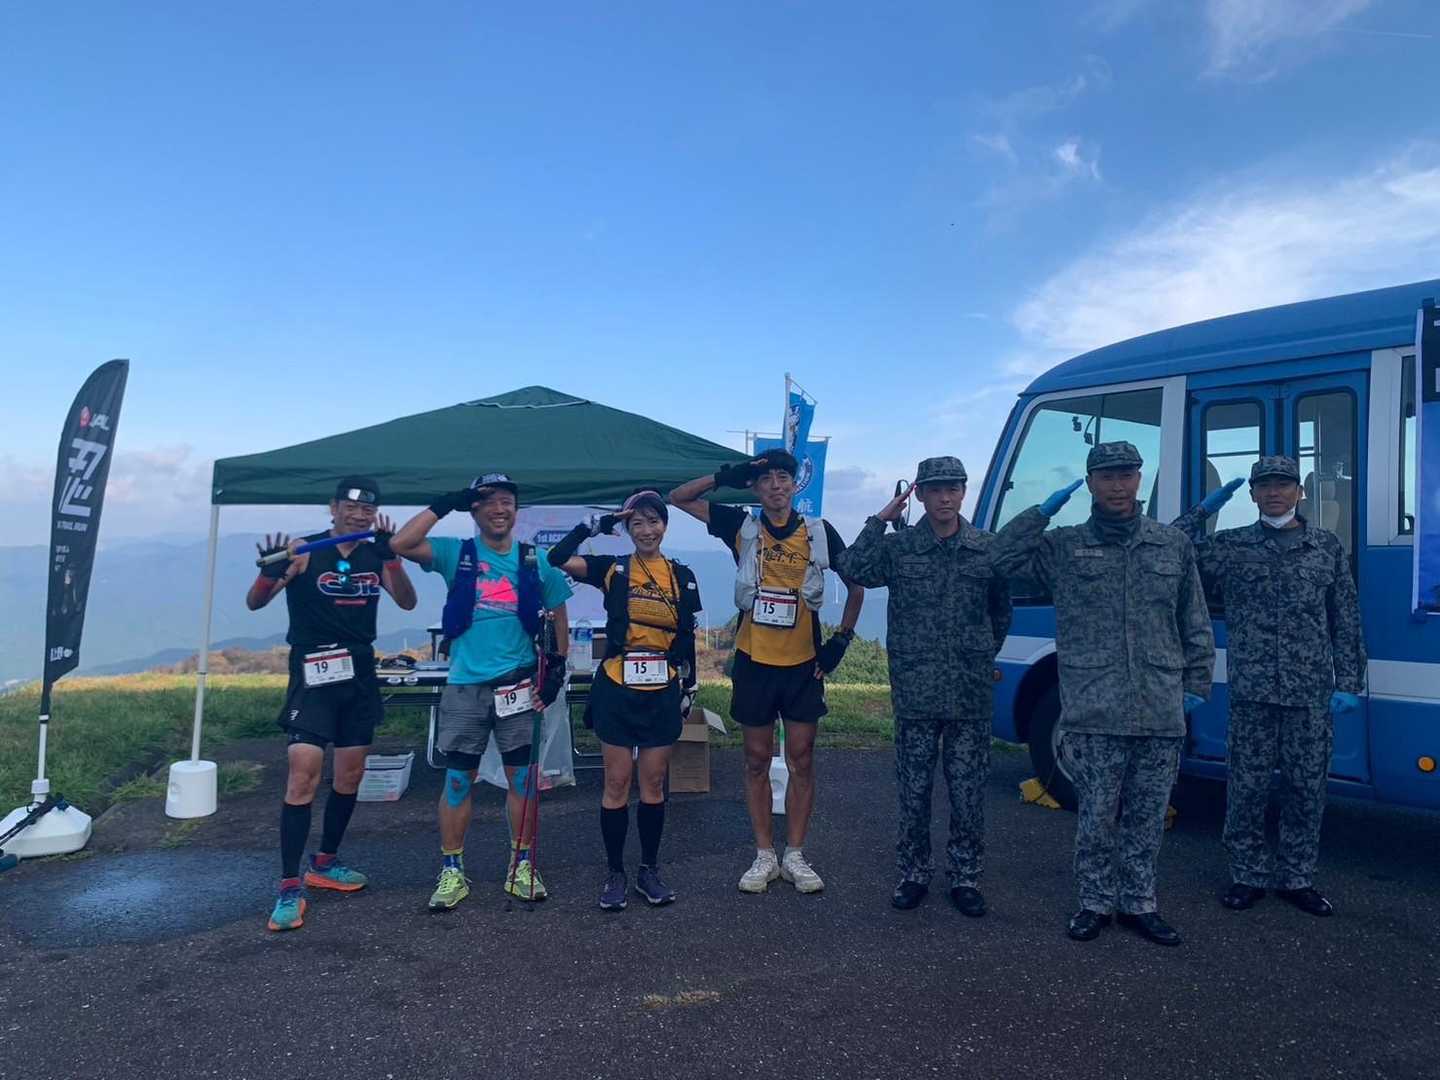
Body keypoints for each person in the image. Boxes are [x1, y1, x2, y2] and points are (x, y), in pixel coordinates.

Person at [992, 442, 1214, 946]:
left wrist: (1197, 684)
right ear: (1091, 483)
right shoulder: (1064, 546)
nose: (1118, 485)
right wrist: (1040, 514)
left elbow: (1194, 620)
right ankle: (1094, 902)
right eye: (1107, 476)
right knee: (1095, 815)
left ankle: (1139, 903)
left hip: (1159, 705)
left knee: (1148, 815)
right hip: (1093, 707)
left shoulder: (1171, 544)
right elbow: (999, 559)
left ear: (1139, 479)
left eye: (1126, 475)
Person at [1172, 455, 1366, 917]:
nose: (1274, 493)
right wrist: (1203, 510)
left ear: (1299, 492)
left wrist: (1349, 682)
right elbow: (1169, 547)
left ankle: (1298, 877)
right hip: (1253, 694)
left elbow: (1346, 618)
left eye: (1283, 485)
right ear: (1253, 494)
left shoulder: (1326, 547)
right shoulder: (1231, 545)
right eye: (1265, 486)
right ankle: (1248, 875)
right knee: (1247, 788)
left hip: (1309, 696)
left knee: (1306, 789)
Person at [669, 448, 864, 894]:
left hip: (804, 666)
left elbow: (857, 586)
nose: (776, 485)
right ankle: (763, 855)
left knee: (802, 760)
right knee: (756, 760)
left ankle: (795, 854)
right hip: (754, 662)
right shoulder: (741, 527)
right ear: (756, 488)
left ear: (795, 485)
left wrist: (841, 641)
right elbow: (678, 498)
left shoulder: (819, 532)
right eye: (766, 479)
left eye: (783, 478)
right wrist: (726, 476)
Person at [835, 456, 1012, 916]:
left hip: (969, 694)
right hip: (916, 692)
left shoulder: (986, 548)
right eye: (935, 490)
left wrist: (979, 656)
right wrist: (881, 519)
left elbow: (1001, 612)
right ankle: (913, 873)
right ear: (921, 495)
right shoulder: (900, 548)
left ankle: (965, 876)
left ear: (964, 492)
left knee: (968, 793)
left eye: (953, 488)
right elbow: (852, 565)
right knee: (914, 792)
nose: (945, 498)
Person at [391, 474, 571, 911]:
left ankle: (522, 864)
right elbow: (401, 544)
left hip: (518, 685)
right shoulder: (458, 553)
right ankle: (452, 869)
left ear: (516, 509)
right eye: (488, 502)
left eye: (507, 501)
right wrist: (444, 503)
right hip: (465, 686)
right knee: (457, 780)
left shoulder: (534, 559)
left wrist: (557, 667)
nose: (498, 509)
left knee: (523, 779)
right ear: (474, 510)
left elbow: (559, 610)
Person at [248, 477, 417, 932]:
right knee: (302, 775)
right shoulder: (305, 551)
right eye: (350, 508)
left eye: (367, 510)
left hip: (359, 672)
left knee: (350, 775)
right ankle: (288, 887)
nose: (358, 516)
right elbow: (255, 602)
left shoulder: (376, 552)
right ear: (333, 508)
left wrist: (391, 558)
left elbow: (406, 602)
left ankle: (325, 862)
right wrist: (271, 571)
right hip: (314, 671)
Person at [546, 490, 702, 910]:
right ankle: (615, 872)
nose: (647, 530)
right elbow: (556, 559)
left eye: (654, 521)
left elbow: (687, 635)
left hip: (662, 689)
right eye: (638, 523)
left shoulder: (682, 574)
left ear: (665, 525)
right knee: (616, 783)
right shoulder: (612, 568)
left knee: (653, 784)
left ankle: (648, 870)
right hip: (617, 687)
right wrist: (596, 526)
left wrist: (690, 687)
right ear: (628, 529)